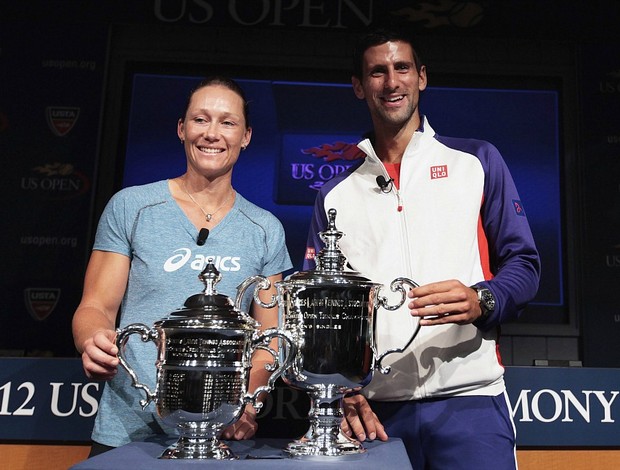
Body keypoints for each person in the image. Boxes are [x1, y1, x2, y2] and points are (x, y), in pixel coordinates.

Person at [303, 27, 540, 468]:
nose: (391, 82)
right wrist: (345, 390)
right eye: (377, 72)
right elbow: (320, 311)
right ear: (359, 86)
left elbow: (524, 265)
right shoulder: (333, 195)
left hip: (470, 401)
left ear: (422, 77)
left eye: (402, 68)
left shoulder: (477, 161)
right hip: (374, 414)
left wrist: (481, 298)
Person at [72, 76, 292, 456]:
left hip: (216, 435)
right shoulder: (132, 207)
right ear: (181, 129)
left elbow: (269, 340)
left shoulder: (265, 230)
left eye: (227, 122)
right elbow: (96, 307)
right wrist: (92, 341)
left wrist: (246, 402)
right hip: (127, 430)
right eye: (200, 119)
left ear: (246, 136)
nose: (212, 133)